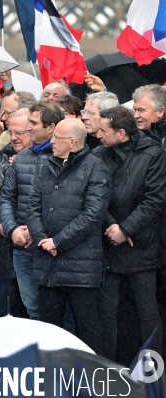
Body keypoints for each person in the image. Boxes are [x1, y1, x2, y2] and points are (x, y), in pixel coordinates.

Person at [27, 118, 111, 354]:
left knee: (87, 326)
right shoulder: (47, 166)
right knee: (47, 327)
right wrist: (43, 239)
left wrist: (57, 242)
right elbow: (33, 207)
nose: (51, 141)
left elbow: (93, 215)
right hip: (48, 262)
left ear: (73, 142)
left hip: (80, 265)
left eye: (57, 138)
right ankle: (51, 378)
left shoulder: (96, 168)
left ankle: (92, 380)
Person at [93, 106, 166, 360]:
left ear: (121, 133)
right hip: (108, 244)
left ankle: (153, 368)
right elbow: (94, 196)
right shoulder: (99, 153)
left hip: (141, 245)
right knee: (107, 312)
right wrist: (112, 225)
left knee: (147, 311)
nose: (98, 134)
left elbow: (154, 199)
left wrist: (126, 228)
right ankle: (109, 367)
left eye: (104, 130)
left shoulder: (152, 153)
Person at [0, 101, 64, 320]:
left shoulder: (67, 159)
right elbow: (7, 197)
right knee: (32, 309)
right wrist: (13, 230)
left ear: (51, 127)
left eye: (33, 124)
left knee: (62, 313)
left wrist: (36, 232)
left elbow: (67, 205)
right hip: (23, 247)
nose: (28, 129)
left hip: (53, 246)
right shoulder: (23, 158)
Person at [0, 109, 31, 317]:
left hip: (36, 248)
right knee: (7, 314)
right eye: (11, 131)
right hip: (3, 249)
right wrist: (0, 225)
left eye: (20, 132)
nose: (14, 137)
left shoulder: (52, 157)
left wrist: (32, 230)